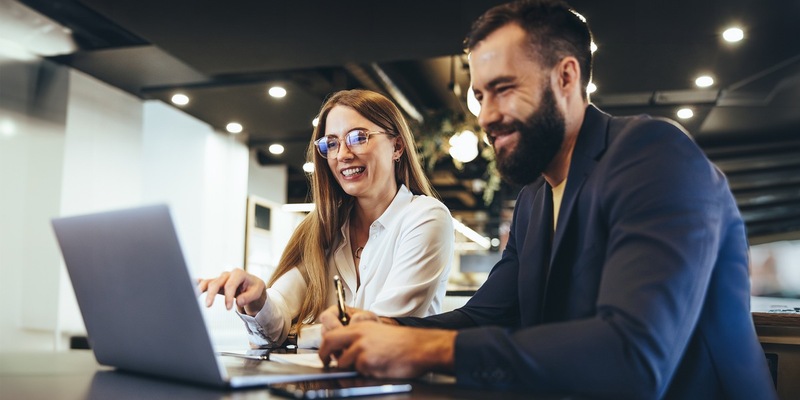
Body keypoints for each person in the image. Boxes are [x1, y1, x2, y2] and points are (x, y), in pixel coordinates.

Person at [317, 1, 778, 399]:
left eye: (503, 88)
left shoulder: (654, 154)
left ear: (565, 77)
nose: (487, 116)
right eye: (479, 96)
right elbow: (486, 316)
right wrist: (385, 329)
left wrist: (426, 350)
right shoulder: (535, 198)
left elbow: (634, 357)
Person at [198, 89, 454, 349]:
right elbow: (278, 313)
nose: (342, 154)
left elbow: (381, 329)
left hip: (402, 386)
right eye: (331, 143)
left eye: (358, 137)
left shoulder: (426, 217)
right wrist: (258, 300)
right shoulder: (324, 229)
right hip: (329, 386)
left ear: (397, 146)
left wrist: (296, 336)